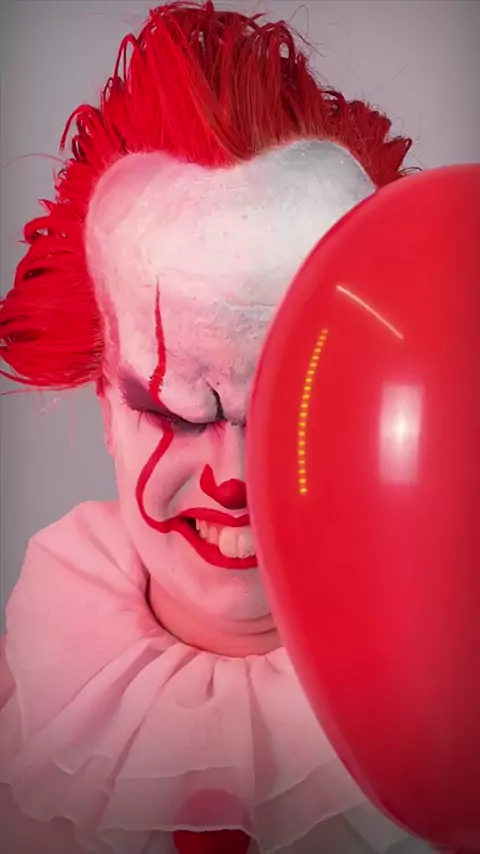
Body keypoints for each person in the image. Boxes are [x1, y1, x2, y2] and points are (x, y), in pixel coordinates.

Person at [0, 2, 427, 852]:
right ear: (106, 403)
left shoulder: (448, 707)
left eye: (295, 403)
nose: (234, 476)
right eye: (172, 409)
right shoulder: (19, 714)